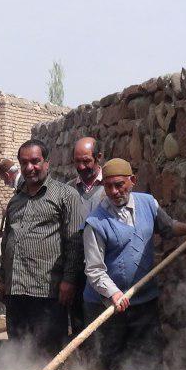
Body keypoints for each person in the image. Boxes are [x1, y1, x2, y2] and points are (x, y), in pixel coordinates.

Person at [83, 159, 186, 370]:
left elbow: (168, 227)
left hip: (144, 301)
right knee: (109, 364)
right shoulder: (95, 223)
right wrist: (114, 293)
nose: (114, 192)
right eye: (108, 186)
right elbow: (94, 270)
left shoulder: (148, 204)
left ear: (132, 181)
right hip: (106, 306)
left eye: (119, 185)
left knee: (149, 359)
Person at [0, 140, 84, 355]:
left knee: (48, 353)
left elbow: (74, 241)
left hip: (47, 293)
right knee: (17, 353)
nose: (30, 168)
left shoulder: (66, 195)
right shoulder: (15, 200)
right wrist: (2, 280)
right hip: (16, 293)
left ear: (47, 162)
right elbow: (7, 239)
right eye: (24, 163)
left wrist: (69, 280)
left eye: (35, 162)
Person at [65, 137, 105, 334]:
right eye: (77, 161)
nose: (81, 166)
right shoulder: (68, 190)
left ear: (99, 157)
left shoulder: (111, 186)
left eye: (86, 161)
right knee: (80, 322)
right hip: (77, 267)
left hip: (106, 267)